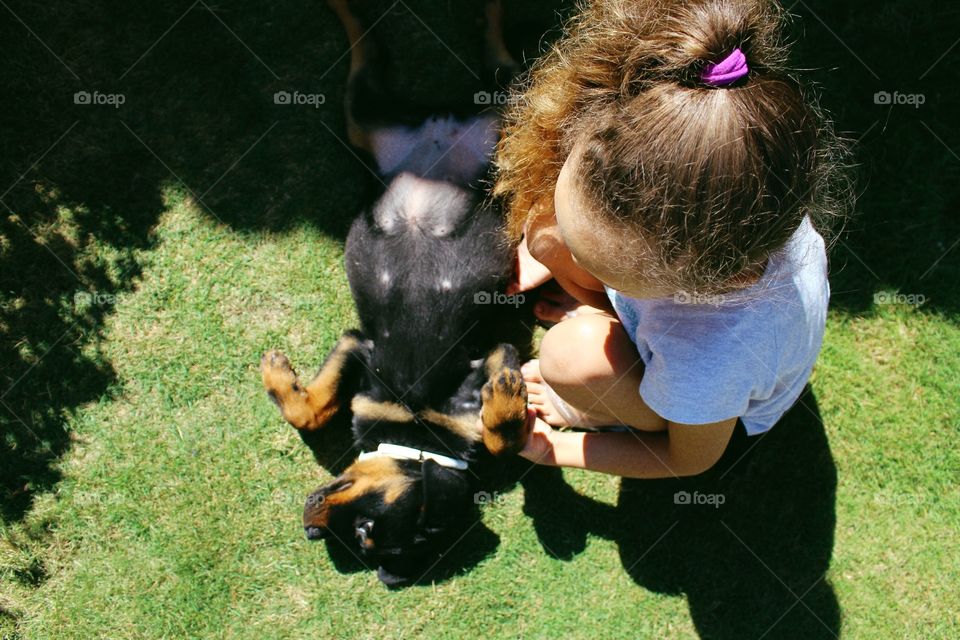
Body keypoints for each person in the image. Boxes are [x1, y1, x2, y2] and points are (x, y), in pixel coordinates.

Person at [491, 0, 852, 478]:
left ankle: (604, 399)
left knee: (571, 358)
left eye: (599, 264)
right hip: (674, 313)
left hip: (716, 408)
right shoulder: (736, 180)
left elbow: (690, 461)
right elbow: (577, 239)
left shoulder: (712, 354)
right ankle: (609, 311)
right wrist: (555, 245)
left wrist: (555, 448)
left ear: (700, 282)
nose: (573, 260)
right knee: (545, 235)